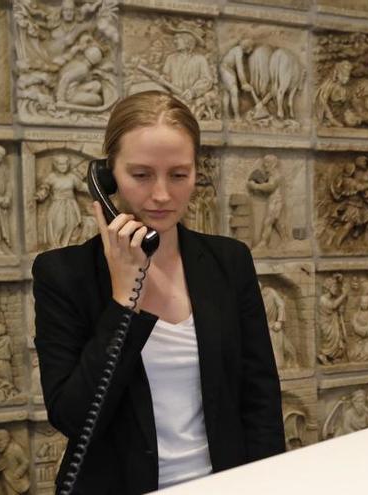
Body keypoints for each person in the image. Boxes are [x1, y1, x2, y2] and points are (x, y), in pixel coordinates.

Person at [32, 90, 284, 493]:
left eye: (179, 175)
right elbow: (73, 417)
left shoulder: (229, 261)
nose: (163, 194)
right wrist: (122, 301)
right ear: (106, 176)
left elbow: (261, 402)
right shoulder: (63, 274)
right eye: (142, 174)